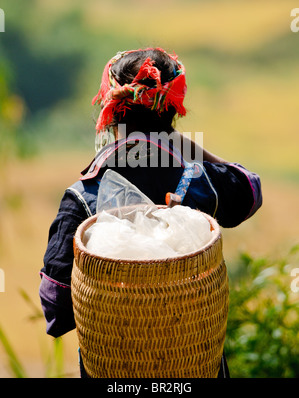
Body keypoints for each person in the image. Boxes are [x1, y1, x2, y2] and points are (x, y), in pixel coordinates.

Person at [39, 47, 262, 378]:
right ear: (172, 113)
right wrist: (176, 142)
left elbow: (56, 308)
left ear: (110, 112)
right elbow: (250, 189)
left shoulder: (82, 198)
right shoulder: (200, 184)